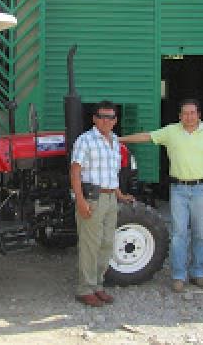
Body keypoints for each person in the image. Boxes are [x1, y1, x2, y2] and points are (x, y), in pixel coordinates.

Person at [120, 99, 203, 293]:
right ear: (179, 116)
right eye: (185, 113)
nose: (189, 117)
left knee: (200, 233)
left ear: (199, 115)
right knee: (178, 234)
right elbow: (147, 137)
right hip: (179, 189)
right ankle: (178, 276)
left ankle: (198, 273)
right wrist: (118, 139)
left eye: (192, 113)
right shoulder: (171, 131)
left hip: (201, 188)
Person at [70, 101, 134, 307]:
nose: (106, 120)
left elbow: (110, 173)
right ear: (94, 119)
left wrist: (120, 194)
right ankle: (84, 288)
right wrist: (80, 200)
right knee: (91, 245)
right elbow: (75, 172)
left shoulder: (115, 141)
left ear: (115, 121)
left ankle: (97, 285)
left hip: (110, 198)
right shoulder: (85, 140)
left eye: (111, 117)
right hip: (92, 198)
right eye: (102, 116)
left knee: (106, 243)